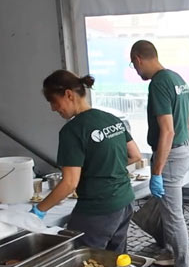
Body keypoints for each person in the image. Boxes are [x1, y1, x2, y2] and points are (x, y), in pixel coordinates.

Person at [31, 70, 142, 253]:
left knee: (81, 262)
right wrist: (108, 167)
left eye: (53, 101)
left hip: (98, 208)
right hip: (125, 202)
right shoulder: (111, 119)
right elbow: (135, 155)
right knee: (115, 260)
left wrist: (39, 210)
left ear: (68, 94)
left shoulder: (73, 130)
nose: (53, 108)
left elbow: (69, 183)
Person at [130, 40, 189, 267]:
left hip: (171, 154)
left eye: (134, 66)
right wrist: (182, 146)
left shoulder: (158, 84)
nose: (136, 71)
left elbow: (167, 130)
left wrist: (157, 171)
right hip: (183, 149)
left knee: (173, 214)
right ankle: (168, 249)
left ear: (138, 59)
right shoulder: (177, 79)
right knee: (167, 207)